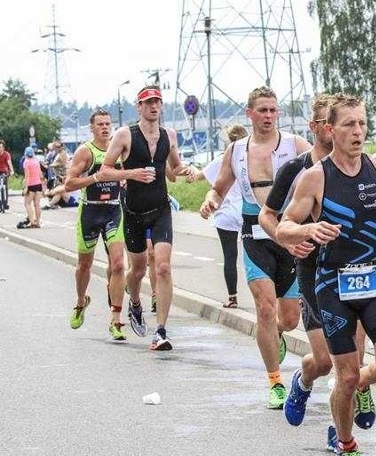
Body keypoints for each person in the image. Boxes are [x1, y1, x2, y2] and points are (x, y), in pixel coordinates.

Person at [259, 94, 376, 427]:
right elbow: (274, 219)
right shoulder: (305, 173)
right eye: (349, 124)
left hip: (372, 277)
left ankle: (358, 387)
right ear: (326, 129)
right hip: (322, 274)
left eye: (362, 123)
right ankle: (326, 409)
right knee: (331, 365)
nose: (358, 131)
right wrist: (303, 234)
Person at [200, 86, 312, 410]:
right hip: (253, 234)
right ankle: (275, 382)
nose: (268, 116)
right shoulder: (236, 150)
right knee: (265, 307)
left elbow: (322, 175)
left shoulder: (295, 145)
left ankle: (273, 333)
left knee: (289, 319)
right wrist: (210, 202)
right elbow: (219, 188)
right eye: (262, 110)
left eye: (273, 110)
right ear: (249, 114)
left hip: (288, 236)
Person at [99, 85, 191, 350]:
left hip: (160, 209)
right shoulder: (125, 135)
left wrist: (188, 171)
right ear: (138, 107)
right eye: (148, 102)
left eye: (157, 102)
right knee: (137, 269)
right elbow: (105, 171)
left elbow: (173, 170)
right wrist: (131, 174)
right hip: (133, 212)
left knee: (162, 266)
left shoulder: (169, 135)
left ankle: (161, 331)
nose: (153, 106)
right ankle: (135, 303)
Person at [63, 109, 127, 340]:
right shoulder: (85, 151)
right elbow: (69, 184)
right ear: (92, 128)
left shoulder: (119, 149)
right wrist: (95, 178)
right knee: (84, 266)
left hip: (113, 210)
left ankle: (116, 320)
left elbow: (125, 174)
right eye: (100, 124)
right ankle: (81, 301)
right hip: (89, 211)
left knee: (118, 264)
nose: (105, 128)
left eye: (108, 124)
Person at [187, 123, 248, 308]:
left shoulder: (222, 159)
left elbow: (198, 176)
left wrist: (189, 170)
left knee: (230, 256)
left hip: (226, 213)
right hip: (248, 212)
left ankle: (232, 298)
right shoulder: (251, 158)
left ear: (228, 140)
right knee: (256, 256)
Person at [21, 146, 44, 228]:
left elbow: (27, 176)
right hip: (38, 185)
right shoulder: (36, 161)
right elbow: (41, 175)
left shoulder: (26, 162)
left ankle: (32, 222)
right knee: (37, 204)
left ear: (25, 154)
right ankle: (38, 222)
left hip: (31, 185)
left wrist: (26, 188)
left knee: (27, 203)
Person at [0, 139, 15, 211]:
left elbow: (9, 163)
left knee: (5, 186)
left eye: (0, 147)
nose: (0, 148)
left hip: (4, 171)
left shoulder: (6, 154)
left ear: (3, 147)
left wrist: (12, 171)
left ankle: (5, 203)